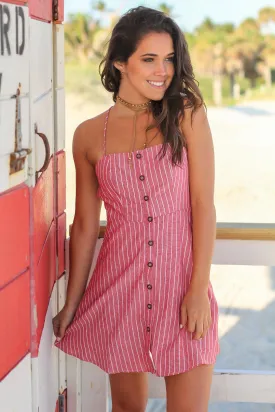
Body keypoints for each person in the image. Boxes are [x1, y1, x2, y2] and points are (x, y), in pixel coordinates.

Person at [53, 6, 219, 412]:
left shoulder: (187, 115)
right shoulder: (88, 135)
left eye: (169, 59)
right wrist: (73, 302)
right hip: (118, 292)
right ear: (120, 63)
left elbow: (203, 205)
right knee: (128, 409)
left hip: (182, 288)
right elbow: (86, 224)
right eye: (149, 59)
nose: (163, 70)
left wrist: (198, 290)